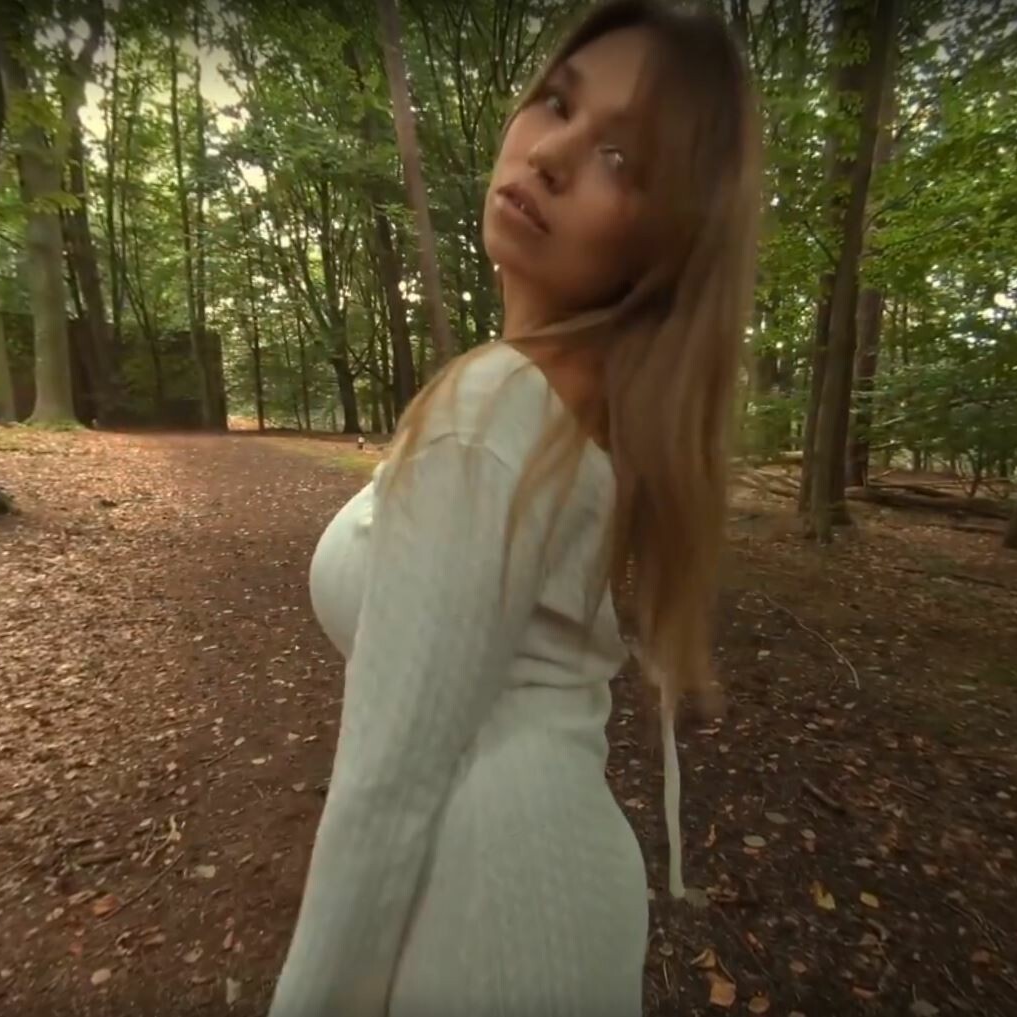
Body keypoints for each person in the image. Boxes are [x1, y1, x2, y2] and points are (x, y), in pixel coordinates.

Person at [269, 1, 760, 1013]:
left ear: (668, 236)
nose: (550, 154)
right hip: (552, 894)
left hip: (484, 915)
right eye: (558, 104)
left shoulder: (495, 405)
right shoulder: (572, 405)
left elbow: (383, 796)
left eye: (621, 158)